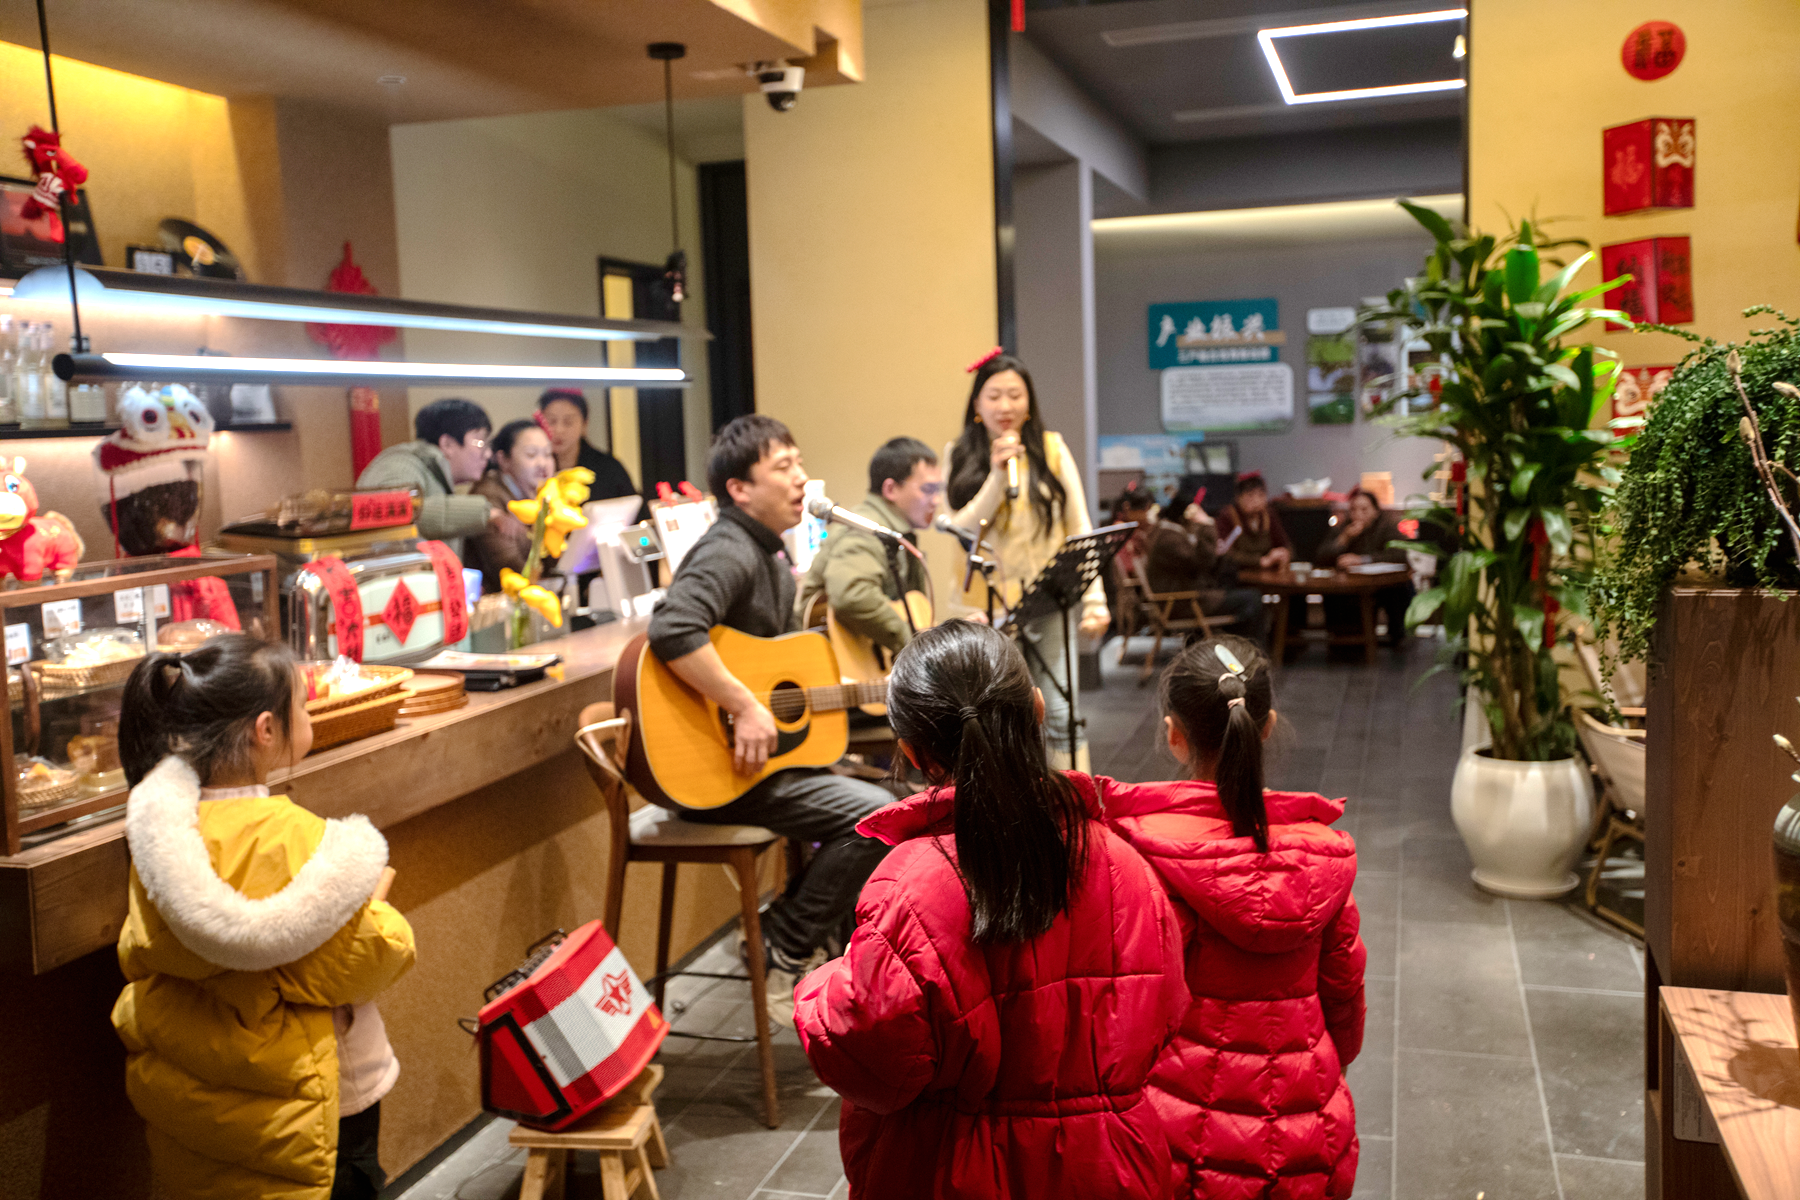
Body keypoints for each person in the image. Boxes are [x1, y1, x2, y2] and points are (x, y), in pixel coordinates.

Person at [793, 622, 1190, 1199]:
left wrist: (819, 988)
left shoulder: (908, 885)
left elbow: (874, 1063)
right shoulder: (1123, 862)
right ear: (1036, 711)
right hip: (1106, 1169)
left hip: (952, 1170)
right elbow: (1167, 1013)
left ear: (911, 750)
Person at [110, 634, 415, 1200]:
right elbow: (374, 955)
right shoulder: (298, 839)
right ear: (266, 729)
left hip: (194, 1101)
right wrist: (379, 913)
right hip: (305, 1103)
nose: (309, 714)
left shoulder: (161, 839)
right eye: (303, 705)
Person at [646, 415, 895, 1023]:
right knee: (876, 818)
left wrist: (845, 695)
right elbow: (673, 628)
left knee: (889, 797)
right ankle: (784, 940)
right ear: (739, 489)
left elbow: (781, 673)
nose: (801, 478)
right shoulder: (730, 550)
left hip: (760, 768)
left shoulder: (766, 555)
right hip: (718, 774)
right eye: (783, 467)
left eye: (799, 462)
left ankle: (840, 961)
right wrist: (743, 705)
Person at [1101, 635, 1366, 1199]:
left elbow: (1123, 1019)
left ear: (1174, 735)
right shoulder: (1322, 856)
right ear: (1267, 726)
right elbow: (1343, 997)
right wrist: (1322, 1070)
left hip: (1178, 1142)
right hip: (1310, 1137)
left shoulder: (1140, 859)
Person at [945, 352, 1108, 769]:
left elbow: (1079, 526)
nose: (1005, 406)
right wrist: (998, 476)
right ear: (977, 405)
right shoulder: (958, 454)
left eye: (1015, 395)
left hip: (1049, 599)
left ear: (1029, 403)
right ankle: (1013, 801)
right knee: (1000, 719)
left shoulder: (1051, 449)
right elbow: (961, 530)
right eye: (994, 396)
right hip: (988, 610)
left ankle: (1075, 798)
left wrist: (1095, 600)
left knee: (1062, 713)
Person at [795, 436, 939, 655]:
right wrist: (914, 646)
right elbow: (852, 594)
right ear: (891, 489)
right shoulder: (865, 531)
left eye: (938, 490)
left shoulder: (894, 534)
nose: (936, 500)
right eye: (928, 489)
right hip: (829, 660)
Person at [356, 397, 506, 560]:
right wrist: (485, 512)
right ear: (447, 444)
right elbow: (395, 516)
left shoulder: (437, 476)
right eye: (480, 443)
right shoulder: (399, 466)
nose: (488, 454)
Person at [1143, 480, 1270, 644]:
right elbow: (1202, 564)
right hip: (1184, 602)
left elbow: (1199, 563)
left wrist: (1214, 551)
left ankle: (1235, 646)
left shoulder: (1167, 533)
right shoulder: (1169, 538)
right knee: (1252, 598)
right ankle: (1249, 649)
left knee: (1239, 591)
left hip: (1183, 598)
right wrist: (1207, 524)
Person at [464, 417, 558, 593]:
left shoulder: (546, 496)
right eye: (531, 455)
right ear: (503, 459)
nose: (543, 464)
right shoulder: (487, 497)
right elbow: (511, 569)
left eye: (548, 454)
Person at [1316, 486, 1416, 646]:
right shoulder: (1344, 528)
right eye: (1353, 510)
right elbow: (1321, 557)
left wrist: (1362, 560)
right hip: (1350, 586)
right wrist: (1344, 539)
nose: (1358, 514)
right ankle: (1341, 640)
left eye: (1364, 510)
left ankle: (1397, 637)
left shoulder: (1386, 527)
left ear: (1375, 511)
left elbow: (1400, 554)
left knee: (1399, 589)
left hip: (1383, 585)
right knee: (1332, 593)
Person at [536, 388, 647, 519]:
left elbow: (636, 514)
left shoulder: (608, 468)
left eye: (568, 422)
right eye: (551, 421)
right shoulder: (533, 467)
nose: (559, 430)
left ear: (584, 424)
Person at [1215, 471, 1292, 573]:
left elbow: (1285, 544)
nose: (1256, 501)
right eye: (1250, 496)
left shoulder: (1269, 515)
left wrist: (1283, 553)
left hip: (1266, 573)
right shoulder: (1228, 516)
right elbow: (1225, 553)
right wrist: (1260, 561)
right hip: (1237, 575)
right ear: (1239, 498)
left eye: (1261, 495)